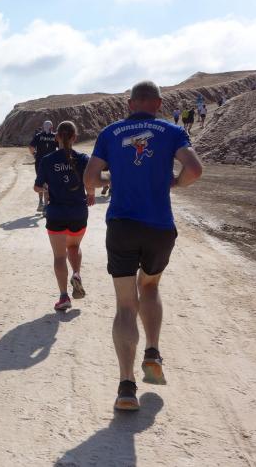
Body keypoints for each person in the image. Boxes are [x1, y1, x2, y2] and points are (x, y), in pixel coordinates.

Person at [84, 80, 203, 411]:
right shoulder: (172, 131)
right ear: (159, 104)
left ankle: (126, 387)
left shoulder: (111, 132)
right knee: (149, 286)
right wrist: (175, 182)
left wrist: (112, 179)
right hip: (159, 227)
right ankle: (152, 351)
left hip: (122, 225)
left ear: (130, 104)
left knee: (125, 305)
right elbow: (194, 169)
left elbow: (90, 179)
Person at [36, 121, 108, 311]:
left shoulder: (47, 160)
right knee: (74, 246)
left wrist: (46, 188)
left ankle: (63, 297)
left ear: (56, 137)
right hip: (78, 212)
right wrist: (91, 194)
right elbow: (90, 181)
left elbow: (37, 186)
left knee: (59, 256)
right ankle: (76, 273)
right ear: (75, 137)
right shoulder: (83, 158)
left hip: (56, 213)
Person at [29, 120, 58, 214]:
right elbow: (60, 148)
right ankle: (46, 206)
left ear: (43, 127)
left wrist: (35, 155)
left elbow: (31, 147)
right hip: (51, 163)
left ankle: (41, 202)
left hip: (39, 163)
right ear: (51, 127)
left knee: (40, 182)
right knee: (48, 183)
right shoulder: (55, 136)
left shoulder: (38, 136)